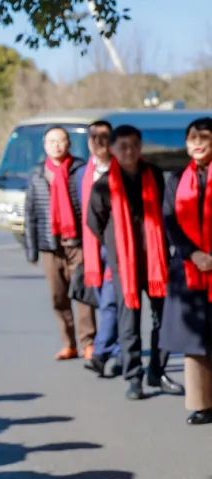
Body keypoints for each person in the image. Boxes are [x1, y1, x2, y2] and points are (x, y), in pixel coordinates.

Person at [86, 124, 184, 400]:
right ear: (113, 150)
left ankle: (157, 370)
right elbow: (95, 223)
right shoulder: (103, 186)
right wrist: (118, 245)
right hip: (124, 266)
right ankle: (133, 376)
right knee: (128, 324)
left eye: (134, 146)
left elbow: (166, 211)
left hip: (156, 263)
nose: (129, 151)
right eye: (123, 146)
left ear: (140, 147)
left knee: (163, 320)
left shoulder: (153, 174)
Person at [23, 126, 97, 361]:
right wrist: (31, 249)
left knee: (84, 295)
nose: (56, 145)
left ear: (69, 144)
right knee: (58, 297)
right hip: (49, 244)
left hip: (78, 243)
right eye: (51, 141)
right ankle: (69, 344)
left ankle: (89, 343)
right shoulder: (37, 174)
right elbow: (30, 213)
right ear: (45, 146)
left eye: (61, 140)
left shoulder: (81, 170)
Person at [161, 117, 212, 424]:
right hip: (190, 267)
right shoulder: (177, 179)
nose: (196, 143)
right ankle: (202, 404)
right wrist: (193, 254)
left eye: (203, 137)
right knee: (197, 341)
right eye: (191, 138)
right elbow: (170, 220)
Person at [80, 120, 122, 377]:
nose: (98, 141)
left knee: (109, 302)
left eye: (104, 136)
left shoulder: (122, 171)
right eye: (93, 136)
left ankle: (100, 352)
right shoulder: (82, 174)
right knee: (106, 302)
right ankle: (117, 352)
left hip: (116, 247)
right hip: (90, 248)